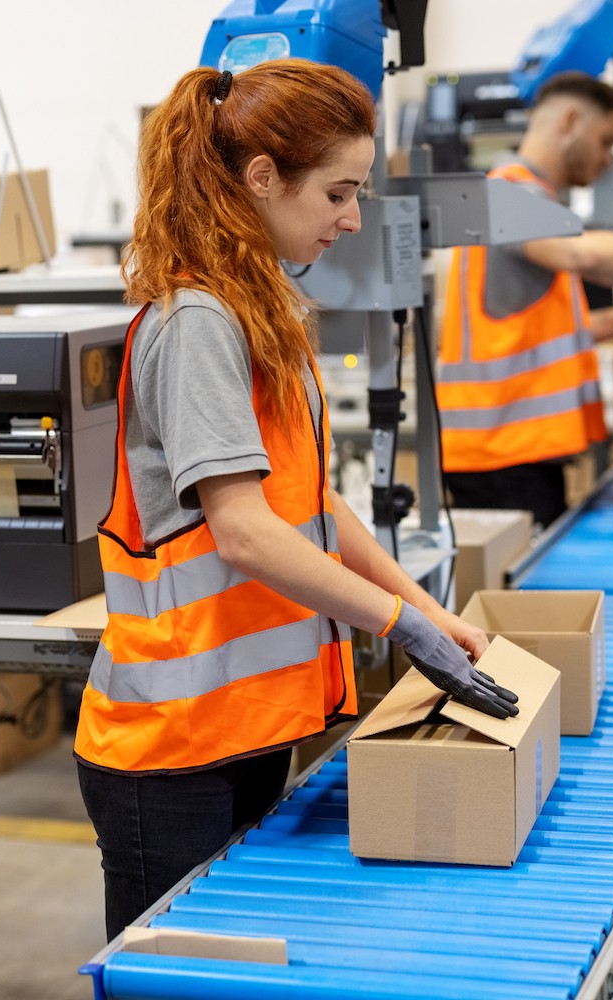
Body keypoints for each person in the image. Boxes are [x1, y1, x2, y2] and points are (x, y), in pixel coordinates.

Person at [74, 58, 519, 943]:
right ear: (262, 176)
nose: (354, 220)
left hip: (237, 728)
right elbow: (242, 532)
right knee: (177, 979)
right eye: (338, 193)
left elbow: (314, 504)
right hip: (169, 754)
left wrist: (433, 612)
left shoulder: (256, 304)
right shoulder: (199, 319)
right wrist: (399, 626)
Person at [437, 70, 613, 529]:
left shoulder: (528, 200)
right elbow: (581, 252)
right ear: (569, 122)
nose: (609, 159)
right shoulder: (504, 193)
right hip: (499, 453)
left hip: (516, 451)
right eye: (606, 140)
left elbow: (550, 332)